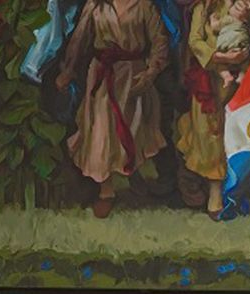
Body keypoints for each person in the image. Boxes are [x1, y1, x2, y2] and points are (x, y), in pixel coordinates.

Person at [54, 0, 169, 218]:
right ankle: (106, 190)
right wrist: (68, 70)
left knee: (133, 131)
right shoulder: (96, 5)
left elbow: (159, 41)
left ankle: (130, 172)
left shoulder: (144, 6)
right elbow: (79, 40)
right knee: (101, 131)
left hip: (132, 76)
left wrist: (150, 73)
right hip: (102, 76)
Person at [176, 0, 250, 218]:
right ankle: (213, 190)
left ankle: (235, 184)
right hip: (209, 82)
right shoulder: (203, 8)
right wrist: (219, 57)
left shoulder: (245, 5)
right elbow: (195, 41)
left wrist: (242, 53)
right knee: (210, 135)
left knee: (233, 135)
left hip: (238, 82)